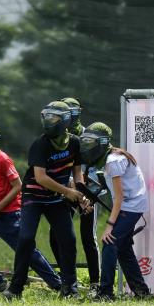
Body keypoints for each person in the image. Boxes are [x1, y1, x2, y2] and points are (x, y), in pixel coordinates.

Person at [3, 102, 90, 300]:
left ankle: (69, 289)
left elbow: (77, 173)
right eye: (46, 118)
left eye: (54, 118)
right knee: (25, 239)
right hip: (34, 197)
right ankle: (15, 288)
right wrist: (68, 192)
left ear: (66, 121)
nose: (48, 122)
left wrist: (81, 196)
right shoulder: (40, 144)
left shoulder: (75, 143)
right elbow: (41, 178)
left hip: (56, 199)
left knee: (68, 240)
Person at [0, 123, 61, 292]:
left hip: (11, 215)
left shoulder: (3, 159)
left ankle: (58, 285)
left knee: (28, 253)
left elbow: (18, 186)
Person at [78, 122, 150, 300]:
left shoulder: (113, 161)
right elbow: (107, 189)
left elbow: (119, 197)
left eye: (91, 142)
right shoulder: (107, 159)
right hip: (131, 205)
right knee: (123, 248)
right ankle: (141, 291)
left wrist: (109, 225)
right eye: (85, 141)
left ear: (102, 142)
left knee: (110, 243)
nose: (87, 146)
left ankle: (105, 293)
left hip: (131, 206)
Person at [48, 97, 100, 291]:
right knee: (56, 236)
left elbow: (97, 166)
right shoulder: (56, 138)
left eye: (73, 112)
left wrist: (85, 190)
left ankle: (95, 282)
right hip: (64, 192)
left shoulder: (89, 136)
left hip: (87, 192)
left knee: (88, 237)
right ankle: (67, 279)